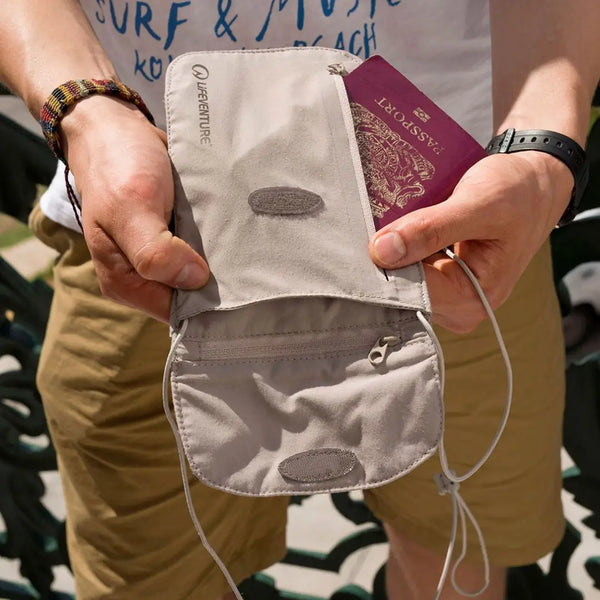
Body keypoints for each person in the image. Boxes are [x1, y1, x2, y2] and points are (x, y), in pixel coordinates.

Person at [1, 1, 599, 598]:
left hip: (456, 220)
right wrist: (82, 108)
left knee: (453, 564)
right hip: (148, 229)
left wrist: (542, 151)